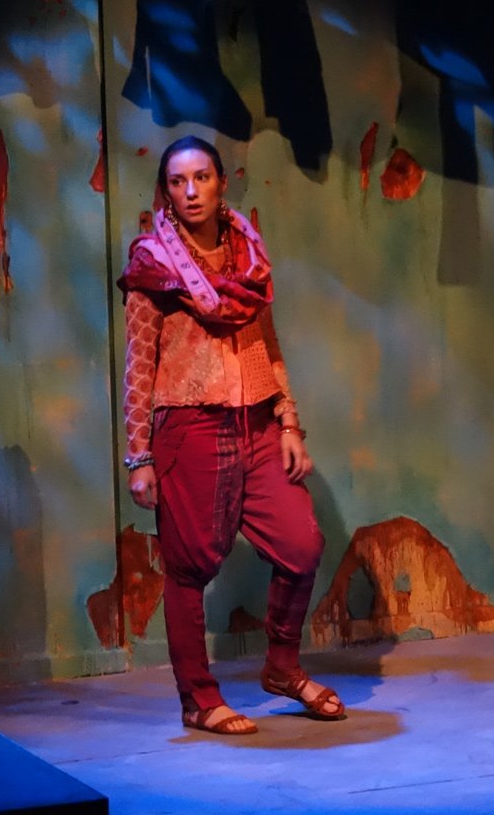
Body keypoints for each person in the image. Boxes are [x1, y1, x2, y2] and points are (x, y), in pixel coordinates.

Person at [117, 135, 346, 735]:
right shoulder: (152, 264)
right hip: (189, 426)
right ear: (165, 190)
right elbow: (139, 363)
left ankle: (282, 667)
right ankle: (199, 699)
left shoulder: (250, 257)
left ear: (223, 183)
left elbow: (268, 345)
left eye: (201, 178)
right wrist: (138, 455)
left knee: (302, 544)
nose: (190, 191)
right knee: (189, 568)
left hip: (259, 424)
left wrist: (290, 421)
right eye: (176, 181)